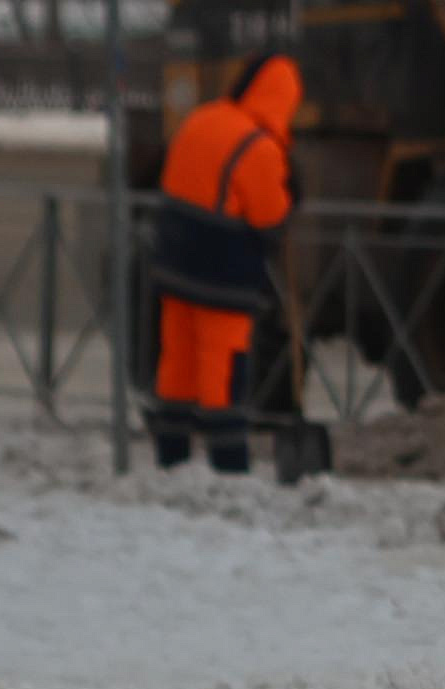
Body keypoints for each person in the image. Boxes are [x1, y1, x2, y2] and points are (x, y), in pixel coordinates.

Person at [148, 55, 303, 475]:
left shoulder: (202, 118)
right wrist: (292, 195)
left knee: (177, 363)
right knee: (223, 370)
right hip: (223, 278)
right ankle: (229, 466)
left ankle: (171, 456)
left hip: (174, 264)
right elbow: (270, 221)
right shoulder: (260, 147)